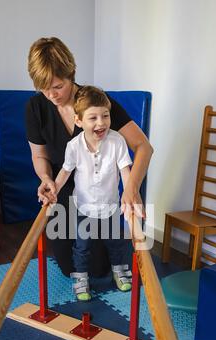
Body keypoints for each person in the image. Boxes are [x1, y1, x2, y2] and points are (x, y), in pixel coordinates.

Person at [26, 37, 153, 277]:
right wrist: (45, 179)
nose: (52, 95)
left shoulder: (97, 104)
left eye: (58, 86)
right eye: (44, 88)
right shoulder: (35, 108)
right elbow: (39, 155)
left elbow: (144, 147)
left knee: (99, 268)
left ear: (70, 74)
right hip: (65, 194)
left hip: (104, 193)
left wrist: (131, 188)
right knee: (70, 267)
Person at [51, 86, 133, 301]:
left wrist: (129, 196)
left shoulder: (117, 141)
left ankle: (119, 271)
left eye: (105, 116)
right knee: (82, 245)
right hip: (84, 207)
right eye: (93, 118)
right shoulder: (74, 146)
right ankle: (81, 278)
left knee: (115, 243)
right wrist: (53, 191)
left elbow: (125, 171)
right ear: (78, 121)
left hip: (110, 206)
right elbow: (64, 173)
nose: (101, 123)